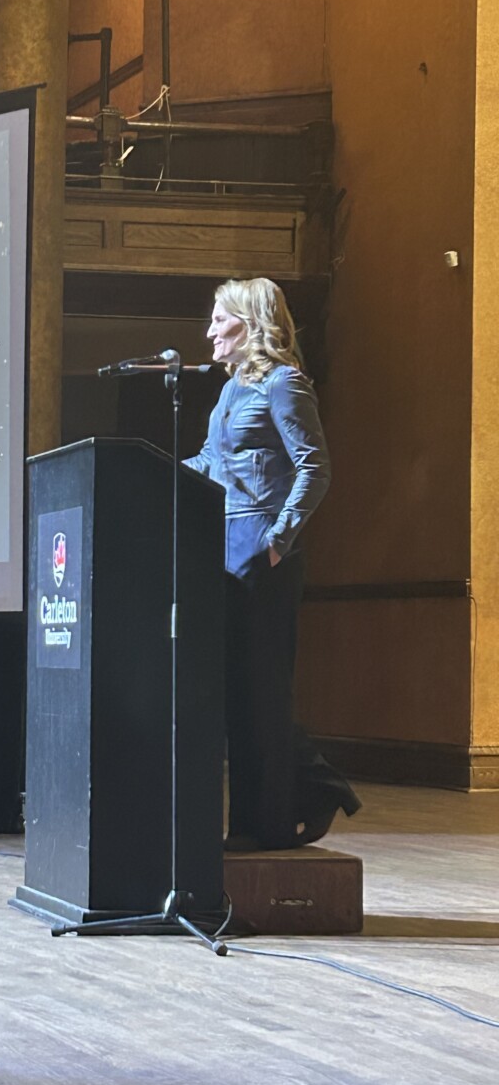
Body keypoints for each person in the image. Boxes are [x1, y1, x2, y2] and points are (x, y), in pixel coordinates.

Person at [184, 277, 361, 851]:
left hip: (263, 549)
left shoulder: (284, 383)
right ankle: (263, 818)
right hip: (225, 549)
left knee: (264, 689)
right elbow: (213, 460)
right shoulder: (231, 390)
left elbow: (316, 468)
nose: (209, 331)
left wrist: (278, 540)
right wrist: (149, 467)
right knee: (239, 690)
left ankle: (285, 809)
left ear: (250, 324)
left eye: (218, 319)